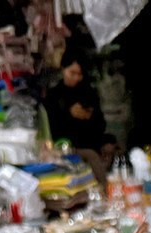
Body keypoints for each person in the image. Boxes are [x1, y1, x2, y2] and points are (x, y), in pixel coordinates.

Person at [44, 56, 116, 185]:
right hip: (69, 145)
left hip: (91, 141)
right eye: (72, 73)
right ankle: (104, 191)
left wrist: (91, 117)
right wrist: (68, 114)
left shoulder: (88, 92)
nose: (76, 78)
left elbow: (101, 124)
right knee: (91, 155)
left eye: (80, 74)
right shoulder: (54, 96)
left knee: (112, 147)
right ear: (63, 69)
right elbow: (52, 128)